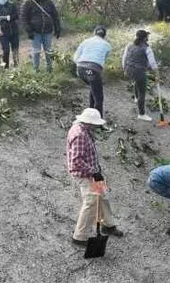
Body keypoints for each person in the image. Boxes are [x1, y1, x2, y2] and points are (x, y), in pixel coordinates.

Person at [66, 108, 124, 246]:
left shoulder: (84, 129)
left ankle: (108, 225)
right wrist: (93, 171)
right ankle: (79, 237)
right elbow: (76, 161)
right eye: (96, 124)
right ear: (89, 122)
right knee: (91, 202)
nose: (98, 126)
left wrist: (96, 169)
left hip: (93, 171)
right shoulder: (80, 135)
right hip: (85, 175)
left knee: (103, 196)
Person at [74, 26, 112, 121]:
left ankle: (90, 115)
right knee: (99, 98)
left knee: (93, 88)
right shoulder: (107, 45)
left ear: (94, 33)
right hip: (93, 70)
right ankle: (98, 122)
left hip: (80, 69)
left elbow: (75, 57)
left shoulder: (85, 41)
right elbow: (103, 59)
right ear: (104, 35)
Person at [20, 0, 60, 73]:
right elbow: (23, 17)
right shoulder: (28, 3)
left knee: (48, 51)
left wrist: (58, 28)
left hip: (47, 31)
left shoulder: (49, 2)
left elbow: (55, 16)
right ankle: (36, 70)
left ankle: (49, 69)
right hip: (35, 32)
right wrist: (28, 30)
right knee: (36, 52)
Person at [122, 29, 158, 122]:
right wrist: (157, 74)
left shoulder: (129, 45)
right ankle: (141, 114)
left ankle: (136, 98)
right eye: (147, 37)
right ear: (145, 38)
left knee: (136, 81)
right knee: (142, 91)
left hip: (129, 69)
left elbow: (124, 58)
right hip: (138, 71)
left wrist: (124, 69)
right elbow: (153, 63)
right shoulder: (147, 48)